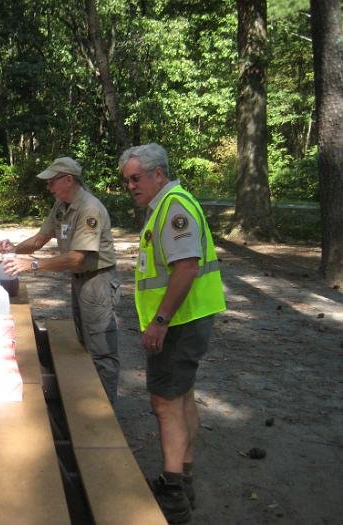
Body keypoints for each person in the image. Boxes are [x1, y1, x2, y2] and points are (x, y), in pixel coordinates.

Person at [119, 143, 226, 524]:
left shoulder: (174, 207)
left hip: (179, 323)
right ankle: (185, 481)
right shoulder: (165, 207)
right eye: (127, 180)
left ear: (158, 174)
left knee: (165, 404)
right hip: (187, 319)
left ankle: (173, 493)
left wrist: (159, 322)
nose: (131, 186)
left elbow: (186, 268)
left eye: (136, 178)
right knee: (181, 399)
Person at [0, 156, 121, 403]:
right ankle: (91, 399)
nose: (48, 187)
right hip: (80, 280)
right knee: (85, 341)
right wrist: (13, 249)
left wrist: (33, 264)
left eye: (52, 182)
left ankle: (107, 414)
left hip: (97, 280)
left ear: (68, 180)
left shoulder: (89, 209)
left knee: (101, 350)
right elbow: (39, 240)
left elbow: (77, 257)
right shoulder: (61, 205)